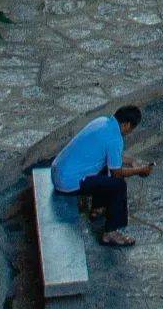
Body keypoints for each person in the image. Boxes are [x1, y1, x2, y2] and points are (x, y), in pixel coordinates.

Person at [49, 104, 151, 248]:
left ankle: (98, 207)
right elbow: (117, 173)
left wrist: (133, 161)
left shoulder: (102, 122)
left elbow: (112, 157)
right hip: (67, 183)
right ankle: (111, 232)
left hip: (57, 172)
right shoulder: (115, 139)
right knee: (118, 185)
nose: (130, 132)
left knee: (104, 167)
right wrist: (140, 170)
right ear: (127, 125)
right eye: (132, 128)